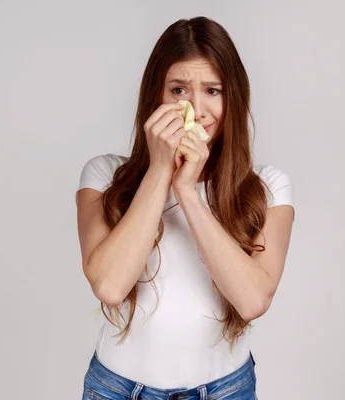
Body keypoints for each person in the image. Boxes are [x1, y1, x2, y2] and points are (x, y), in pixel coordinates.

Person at [75, 16, 295, 400]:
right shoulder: (104, 174)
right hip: (118, 390)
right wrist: (161, 170)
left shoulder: (267, 187)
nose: (197, 108)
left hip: (226, 390)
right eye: (179, 90)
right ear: (155, 97)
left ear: (233, 98)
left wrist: (188, 192)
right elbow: (109, 286)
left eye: (212, 90)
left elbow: (253, 300)